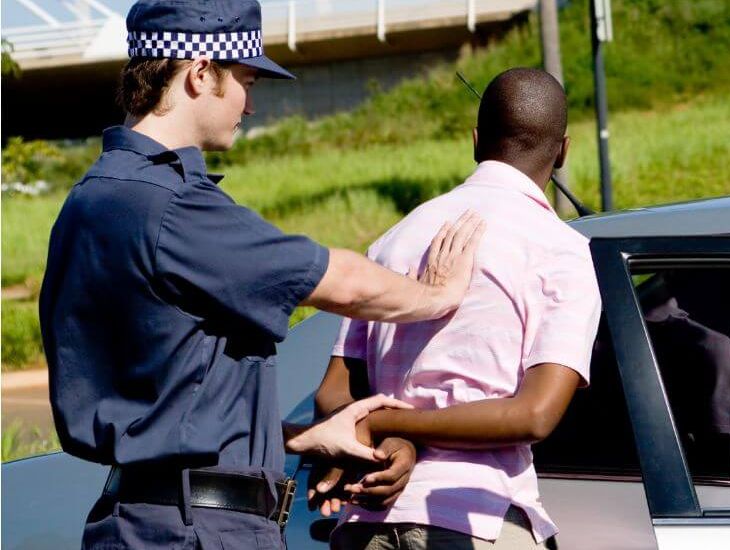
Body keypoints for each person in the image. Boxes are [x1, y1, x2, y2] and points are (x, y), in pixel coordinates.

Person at [38, 1, 483, 548]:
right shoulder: (172, 205)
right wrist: (438, 295)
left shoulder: (88, 200)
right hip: (198, 531)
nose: (250, 105)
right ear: (201, 73)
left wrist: (298, 438)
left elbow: (169, 397)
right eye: (247, 80)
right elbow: (341, 279)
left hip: (139, 519)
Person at [311, 68, 602, 549]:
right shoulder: (561, 251)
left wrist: (383, 433)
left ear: (475, 140)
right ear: (564, 150)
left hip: (368, 521)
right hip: (475, 517)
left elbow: (332, 393)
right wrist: (390, 427)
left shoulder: (394, 239)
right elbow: (534, 416)